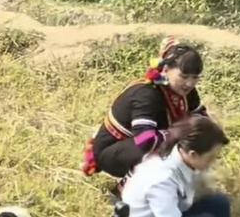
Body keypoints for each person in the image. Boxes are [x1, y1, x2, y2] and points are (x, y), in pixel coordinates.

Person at [82, 39, 209, 188]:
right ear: (166, 69)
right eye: (184, 76)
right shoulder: (147, 94)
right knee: (153, 143)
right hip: (114, 153)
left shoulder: (187, 92)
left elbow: (202, 117)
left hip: (148, 143)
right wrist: (175, 134)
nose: (189, 83)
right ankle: (128, 186)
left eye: (195, 77)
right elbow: (144, 139)